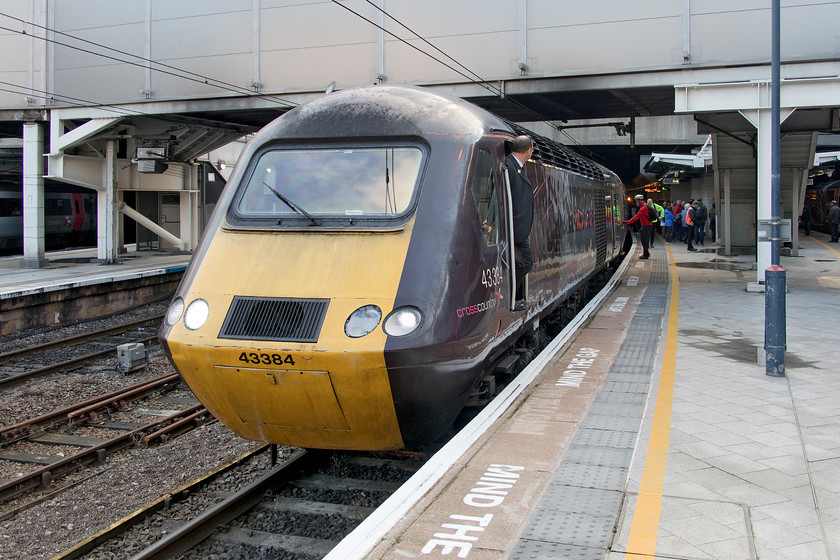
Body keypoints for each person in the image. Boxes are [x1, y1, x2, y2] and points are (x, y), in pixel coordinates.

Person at [507, 135, 534, 310]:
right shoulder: (509, 167)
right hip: (514, 231)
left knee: (522, 262)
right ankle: (509, 298)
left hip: (517, 230)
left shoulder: (516, 166)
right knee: (525, 262)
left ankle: (512, 298)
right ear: (529, 150)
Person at [623, 194, 652, 259]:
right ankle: (646, 253)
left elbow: (636, 217)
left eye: (636, 201)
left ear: (639, 201)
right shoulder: (645, 206)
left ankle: (645, 254)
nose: (636, 202)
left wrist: (627, 222)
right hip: (647, 225)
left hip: (646, 225)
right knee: (645, 240)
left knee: (644, 240)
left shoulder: (643, 208)